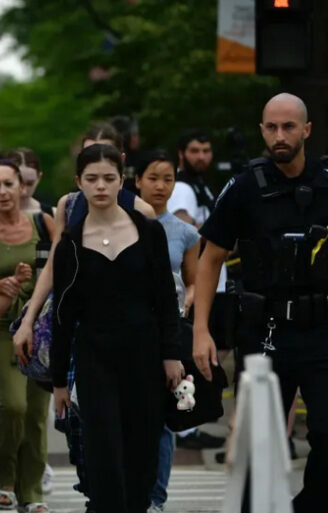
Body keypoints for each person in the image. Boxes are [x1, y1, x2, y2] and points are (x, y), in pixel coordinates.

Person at [193, 93, 328, 513]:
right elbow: (210, 257)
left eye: (289, 127)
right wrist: (201, 331)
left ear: (306, 130)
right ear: (262, 130)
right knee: (259, 437)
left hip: (321, 328)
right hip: (265, 330)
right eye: (271, 127)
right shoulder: (245, 186)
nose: (279, 136)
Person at [52, 143, 184, 513]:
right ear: (78, 182)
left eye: (109, 178)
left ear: (122, 181)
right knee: (103, 449)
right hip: (95, 357)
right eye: (91, 179)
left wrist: (171, 354)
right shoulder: (71, 246)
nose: (101, 187)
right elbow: (62, 315)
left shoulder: (149, 232)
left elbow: (165, 300)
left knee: (142, 449)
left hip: (145, 353)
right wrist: (59, 380)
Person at [0, 159, 54, 513]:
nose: (3, 192)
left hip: (40, 330)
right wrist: (0, 286)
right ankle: (5, 477)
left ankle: (32, 491)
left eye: (8, 184)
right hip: (3, 328)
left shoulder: (43, 222)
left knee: (37, 414)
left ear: (21, 187)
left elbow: (64, 264)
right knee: (14, 406)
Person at [135, 150, 201, 513]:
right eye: (153, 178)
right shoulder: (121, 224)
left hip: (169, 334)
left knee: (163, 419)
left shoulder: (186, 233)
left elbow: (194, 282)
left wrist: (185, 303)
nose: (160, 186)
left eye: (168, 179)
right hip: (128, 332)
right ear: (137, 181)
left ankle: (155, 498)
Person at [166, 129, 228, 451]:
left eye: (206, 150)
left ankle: (190, 421)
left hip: (213, 284)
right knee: (194, 356)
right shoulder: (183, 189)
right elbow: (187, 232)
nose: (201, 156)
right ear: (181, 154)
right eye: (194, 150)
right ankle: (184, 427)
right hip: (199, 285)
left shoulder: (201, 185)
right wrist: (226, 229)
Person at [7, 147, 54, 216]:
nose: (24, 192)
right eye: (19, 183)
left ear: (39, 178)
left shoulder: (54, 214)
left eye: (30, 184)